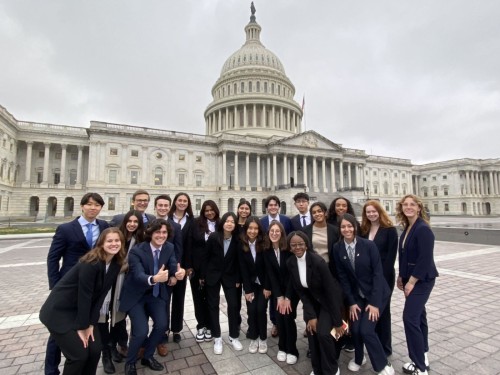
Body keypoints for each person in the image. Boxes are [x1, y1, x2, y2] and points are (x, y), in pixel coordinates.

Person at [40, 227, 125, 375]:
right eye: (109, 241)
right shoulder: (91, 263)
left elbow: (100, 296)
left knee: (95, 350)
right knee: (79, 355)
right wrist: (82, 326)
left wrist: (91, 324)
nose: (114, 244)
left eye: (117, 240)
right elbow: (84, 296)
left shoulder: (116, 264)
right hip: (59, 311)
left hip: (81, 311)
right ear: (101, 243)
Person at [45, 192, 109, 375]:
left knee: (87, 323)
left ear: (100, 208)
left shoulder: (104, 226)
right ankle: (51, 369)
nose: (92, 208)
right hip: (69, 286)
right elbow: (53, 258)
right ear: (82, 206)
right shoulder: (66, 229)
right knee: (58, 331)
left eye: (97, 205)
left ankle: (81, 360)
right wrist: (55, 284)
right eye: (89, 204)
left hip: (92, 287)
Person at [119, 219, 184, 375]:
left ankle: (147, 356)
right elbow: (138, 274)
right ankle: (130, 362)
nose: (161, 235)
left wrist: (178, 273)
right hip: (137, 296)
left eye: (164, 232)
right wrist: (154, 279)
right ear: (150, 233)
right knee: (141, 331)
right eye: (157, 232)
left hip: (156, 295)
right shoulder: (137, 250)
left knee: (162, 326)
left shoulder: (169, 247)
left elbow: (173, 263)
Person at [332, 213, 394, 375]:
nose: (347, 229)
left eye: (350, 226)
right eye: (343, 227)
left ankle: (382, 364)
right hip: (357, 296)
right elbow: (343, 278)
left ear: (355, 227)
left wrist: (374, 303)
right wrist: (351, 302)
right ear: (340, 229)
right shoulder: (338, 248)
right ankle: (359, 358)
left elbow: (378, 274)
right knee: (356, 329)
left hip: (376, 294)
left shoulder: (368, 245)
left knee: (366, 330)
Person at [287, 230, 345, 375]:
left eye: (300, 244)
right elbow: (300, 291)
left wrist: (338, 322)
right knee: (312, 331)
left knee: (324, 334)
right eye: (293, 245)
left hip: (329, 300)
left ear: (306, 245)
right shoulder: (291, 262)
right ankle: (317, 369)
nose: (297, 247)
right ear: (289, 247)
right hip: (312, 301)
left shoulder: (318, 262)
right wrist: (311, 315)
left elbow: (331, 292)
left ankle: (332, 368)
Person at [97, 210, 145, 373]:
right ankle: (105, 354)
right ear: (125, 222)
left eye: (136, 222)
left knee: (118, 318)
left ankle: (114, 347)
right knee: (103, 319)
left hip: (124, 283)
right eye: (129, 221)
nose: (132, 224)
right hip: (106, 280)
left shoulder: (139, 239)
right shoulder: (116, 235)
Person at [396, 195, 438, 375]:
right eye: (405, 205)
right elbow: (405, 255)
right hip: (409, 278)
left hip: (422, 279)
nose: (408, 207)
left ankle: (421, 367)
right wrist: (401, 276)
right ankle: (423, 355)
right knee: (419, 317)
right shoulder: (408, 227)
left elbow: (425, 259)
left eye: (412, 204)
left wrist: (411, 282)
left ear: (419, 208)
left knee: (409, 318)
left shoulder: (423, 229)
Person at [200, 212, 242, 355]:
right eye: (227, 221)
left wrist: (238, 279)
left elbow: (238, 262)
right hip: (213, 275)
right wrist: (202, 275)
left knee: (234, 305)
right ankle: (217, 337)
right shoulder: (213, 237)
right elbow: (205, 257)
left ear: (235, 225)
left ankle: (233, 335)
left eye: (232, 221)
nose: (229, 223)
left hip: (230, 276)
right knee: (213, 305)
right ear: (222, 222)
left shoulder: (237, 239)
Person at [361, 200, 398, 356]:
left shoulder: (389, 230)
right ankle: (373, 343)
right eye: (368, 212)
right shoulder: (364, 230)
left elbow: (390, 258)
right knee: (369, 311)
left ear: (380, 212)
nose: (371, 214)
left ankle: (385, 347)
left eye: (373, 211)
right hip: (366, 279)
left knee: (383, 312)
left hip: (383, 277)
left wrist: (379, 279)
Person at [263, 221, 299, 364]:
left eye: (277, 231)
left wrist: (287, 297)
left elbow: (292, 275)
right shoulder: (267, 250)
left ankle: (292, 350)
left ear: (282, 233)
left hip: (291, 290)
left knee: (288, 317)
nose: (274, 233)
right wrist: (279, 296)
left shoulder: (288, 249)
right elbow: (271, 274)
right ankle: (282, 348)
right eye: (272, 231)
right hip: (278, 291)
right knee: (279, 318)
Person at [153, 193, 184, 356]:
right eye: (160, 205)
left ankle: (162, 337)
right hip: (148, 273)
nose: (163, 208)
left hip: (166, 274)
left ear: (169, 207)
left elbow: (178, 251)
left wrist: (173, 274)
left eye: (166, 205)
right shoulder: (148, 224)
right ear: (155, 206)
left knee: (164, 306)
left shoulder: (175, 227)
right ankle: (143, 340)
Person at [186, 199, 220, 343]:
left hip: (214, 269)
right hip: (197, 267)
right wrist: (189, 266)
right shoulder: (195, 223)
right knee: (198, 298)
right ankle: (201, 325)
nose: (209, 212)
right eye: (206, 210)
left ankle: (211, 326)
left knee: (212, 299)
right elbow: (189, 244)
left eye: (211, 210)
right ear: (203, 212)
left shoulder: (220, 224)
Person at [260, 195, 292, 337]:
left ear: (279, 206)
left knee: (285, 297)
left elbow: (289, 238)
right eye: (270, 205)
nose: (273, 207)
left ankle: (285, 322)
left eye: (275, 205)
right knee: (274, 298)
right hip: (270, 261)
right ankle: (275, 323)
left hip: (284, 263)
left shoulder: (286, 220)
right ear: (266, 207)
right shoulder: (262, 222)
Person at [238, 216, 270, 354]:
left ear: (259, 230)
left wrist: (268, 287)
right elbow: (243, 269)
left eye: (256, 228)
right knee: (251, 311)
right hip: (251, 284)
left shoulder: (265, 243)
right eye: (250, 228)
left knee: (261, 309)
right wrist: (247, 290)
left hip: (264, 284)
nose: (253, 231)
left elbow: (269, 268)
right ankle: (254, 336)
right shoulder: (241, 245)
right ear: (246, 230)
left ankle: (262, 338)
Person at [166, 192, 192, 344]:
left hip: (182, 267)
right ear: (175, 202)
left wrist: (187, 266)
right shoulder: (166, 220)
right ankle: (162, 328)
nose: (182, 203)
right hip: (167, 266)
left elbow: (191, 246)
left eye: (185, 201)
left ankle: (176, 329)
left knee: (179, 299)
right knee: (164, 300)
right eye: (179, 200)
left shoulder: (191, 221)